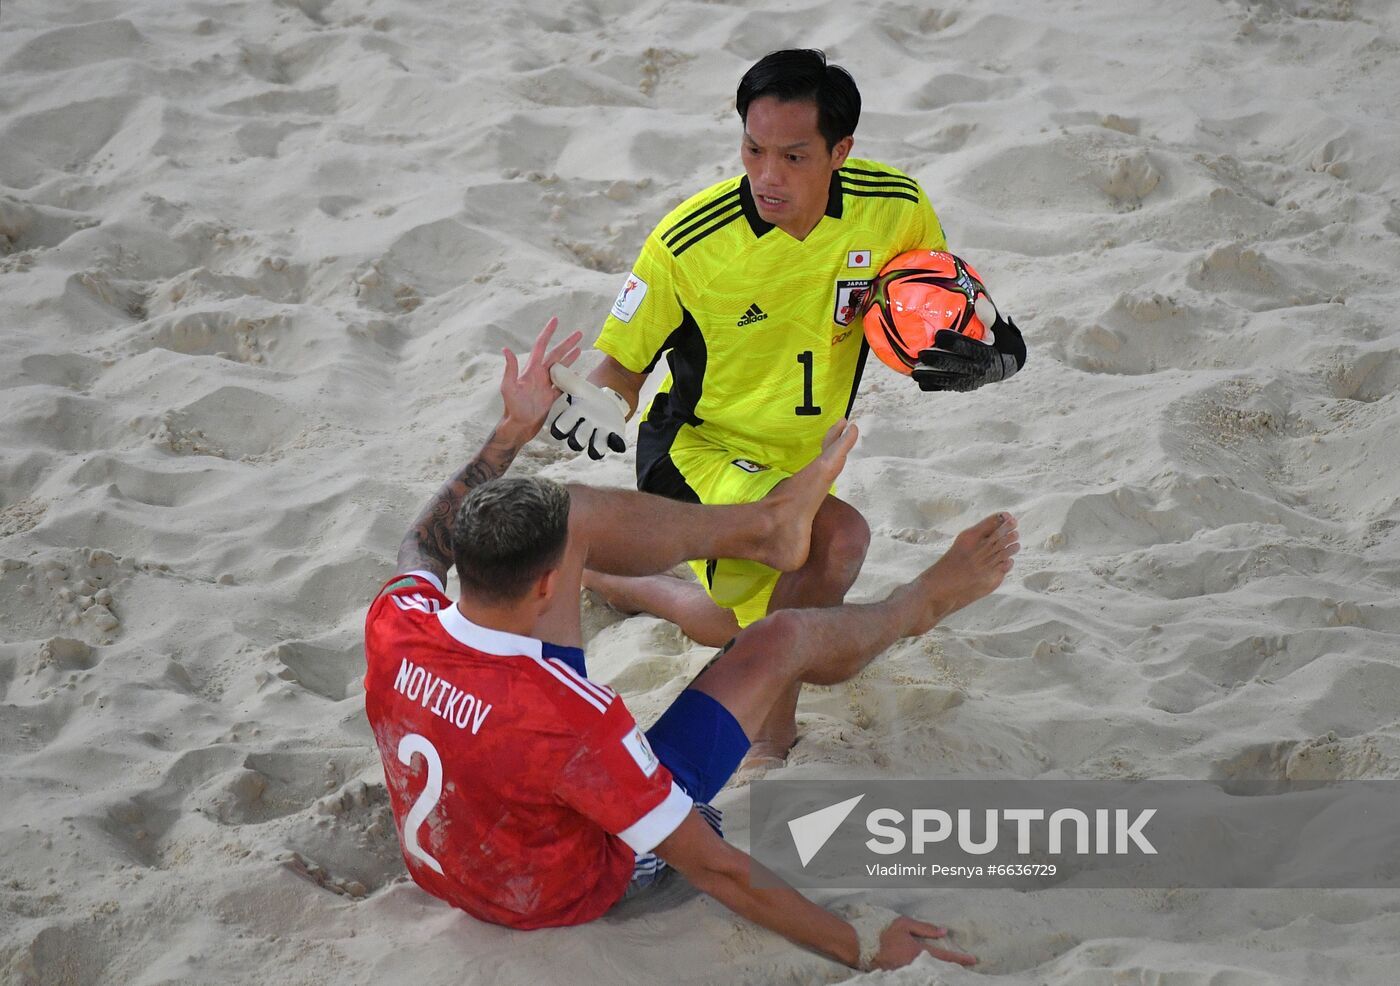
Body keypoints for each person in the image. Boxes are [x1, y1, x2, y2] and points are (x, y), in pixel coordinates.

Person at [364, 319, 1020, 971]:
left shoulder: (396, 620)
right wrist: (860, 946)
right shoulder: (573, 721)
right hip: (561, 891)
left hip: (456, 855)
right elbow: (715, 870)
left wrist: (513, 431)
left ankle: (754, 535)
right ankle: (919, 603)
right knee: (781, 636)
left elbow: (420, 543)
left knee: (574, 511)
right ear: (547, 585)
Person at [546, 48, 1026, 765]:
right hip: (695, 451)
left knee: (735, 618)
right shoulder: (688, 243)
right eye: (753, 148)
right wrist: (591, 408)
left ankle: (618, 582)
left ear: (841, 151)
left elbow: (953, 305)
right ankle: (768, 737)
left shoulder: (894, 210)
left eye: (794, 156)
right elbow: (621, 367)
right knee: (833, 543)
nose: (768, 175)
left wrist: (1000, 356)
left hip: (800, 463)